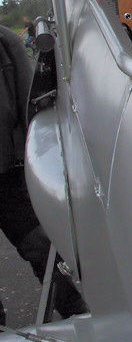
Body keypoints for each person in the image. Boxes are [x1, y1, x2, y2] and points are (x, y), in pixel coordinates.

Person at [0, 23, 87, 325]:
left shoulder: (5, 42)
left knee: (41, 245)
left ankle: (77, 313)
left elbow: (32, 105)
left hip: (8, 175)